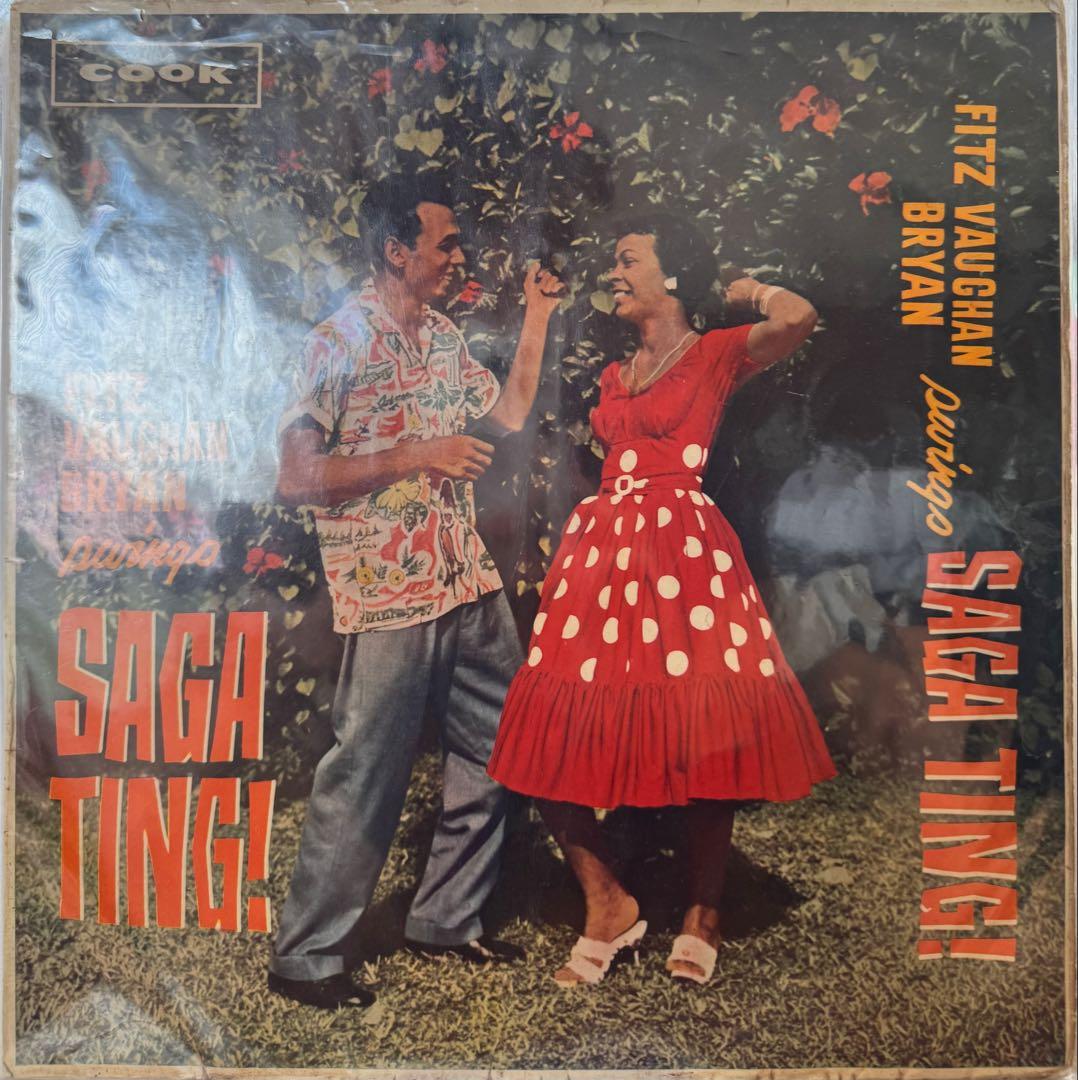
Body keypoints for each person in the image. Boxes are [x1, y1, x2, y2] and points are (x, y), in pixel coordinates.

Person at [487, 212, 836, 987]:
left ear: (671, 276)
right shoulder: (617, 374)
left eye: (628, 260)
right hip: (603, 555)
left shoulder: (714, 353)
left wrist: (747, 289)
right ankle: (607, 901)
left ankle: (702, 912)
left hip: (685, 554)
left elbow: (798, 317)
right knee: (547, 729)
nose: (614, 273)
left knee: (700, 727)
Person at [269, 174, 563, 1009]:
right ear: (396, 251)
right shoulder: (335, 343)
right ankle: (307, 958)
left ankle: (445, 919)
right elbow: (294, 478)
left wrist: (537, 316)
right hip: (388, 588)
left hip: (463, 575)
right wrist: (417, 455)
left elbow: (507, 413)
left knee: (502, 741)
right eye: (446, 243)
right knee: (366, 767)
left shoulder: (441, 337)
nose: (459, 257)